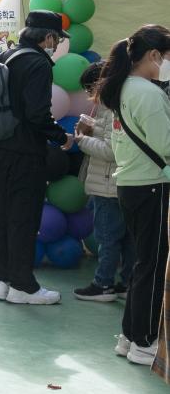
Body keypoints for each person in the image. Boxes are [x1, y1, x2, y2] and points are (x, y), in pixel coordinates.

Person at [95, 24, 170, 365]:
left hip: (132, 184)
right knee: (152, 266)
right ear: (155, 56)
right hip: (152, 186)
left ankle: (129, 335)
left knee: (143, 263)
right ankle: (144, 340)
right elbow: (166, 144)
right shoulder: (148, 93)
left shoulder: (125, 87)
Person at [0, 11, 71, 305]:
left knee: (1, 217)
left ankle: (3, 280)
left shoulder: (6, 57)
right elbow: (37, 113)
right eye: (57, 39)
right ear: (48, 37)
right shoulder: (37, 63)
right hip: (25, 153)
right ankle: (23, 286)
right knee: (23, 218)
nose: (56, 44)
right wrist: (62, 137)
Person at [73, 61, 133, 302]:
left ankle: (103, 283)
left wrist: (80, 139)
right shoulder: (118, 104)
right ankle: (128, 281)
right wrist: (92, 128)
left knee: (107, 237)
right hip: (119, 182)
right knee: (127, 237)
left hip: (108, 184)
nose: (89, 97)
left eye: (90, 91)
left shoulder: (111, 107)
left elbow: (111, 150)